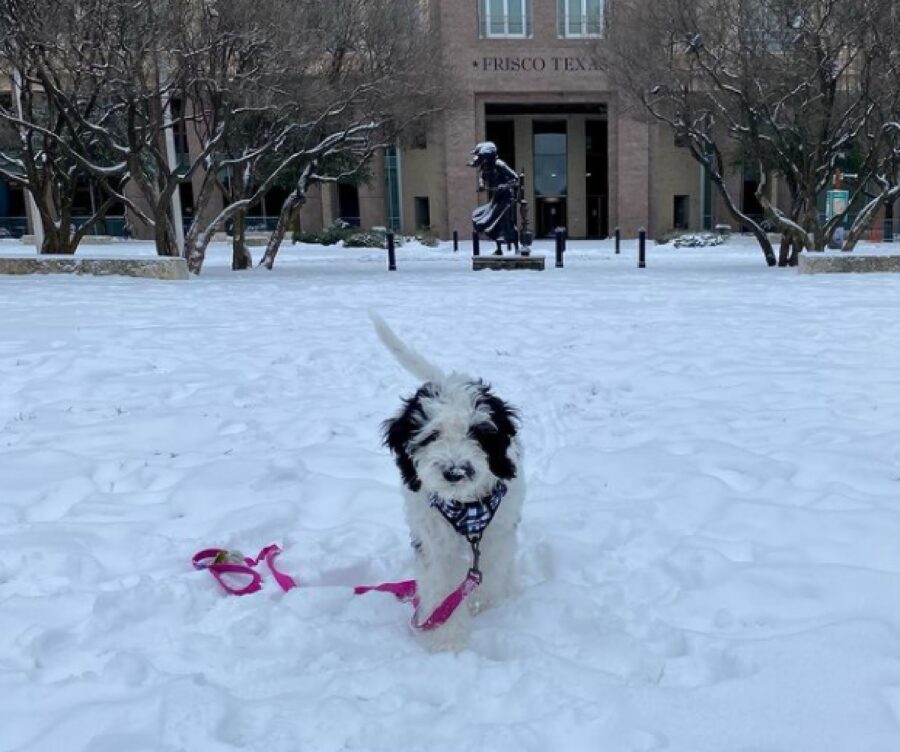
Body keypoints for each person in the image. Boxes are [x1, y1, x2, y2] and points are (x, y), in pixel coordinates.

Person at [469, 142, 520, 255]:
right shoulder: (486, 165)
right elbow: (482, 176)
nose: (480, 159)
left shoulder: (499, 164)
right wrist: (481, 185)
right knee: (488, 219)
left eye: (481, 156)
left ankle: (517, 248)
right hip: (496, 198)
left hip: (506, 198)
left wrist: (505, 185)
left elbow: (515, 178)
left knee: (507, 223)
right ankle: (499, 249)